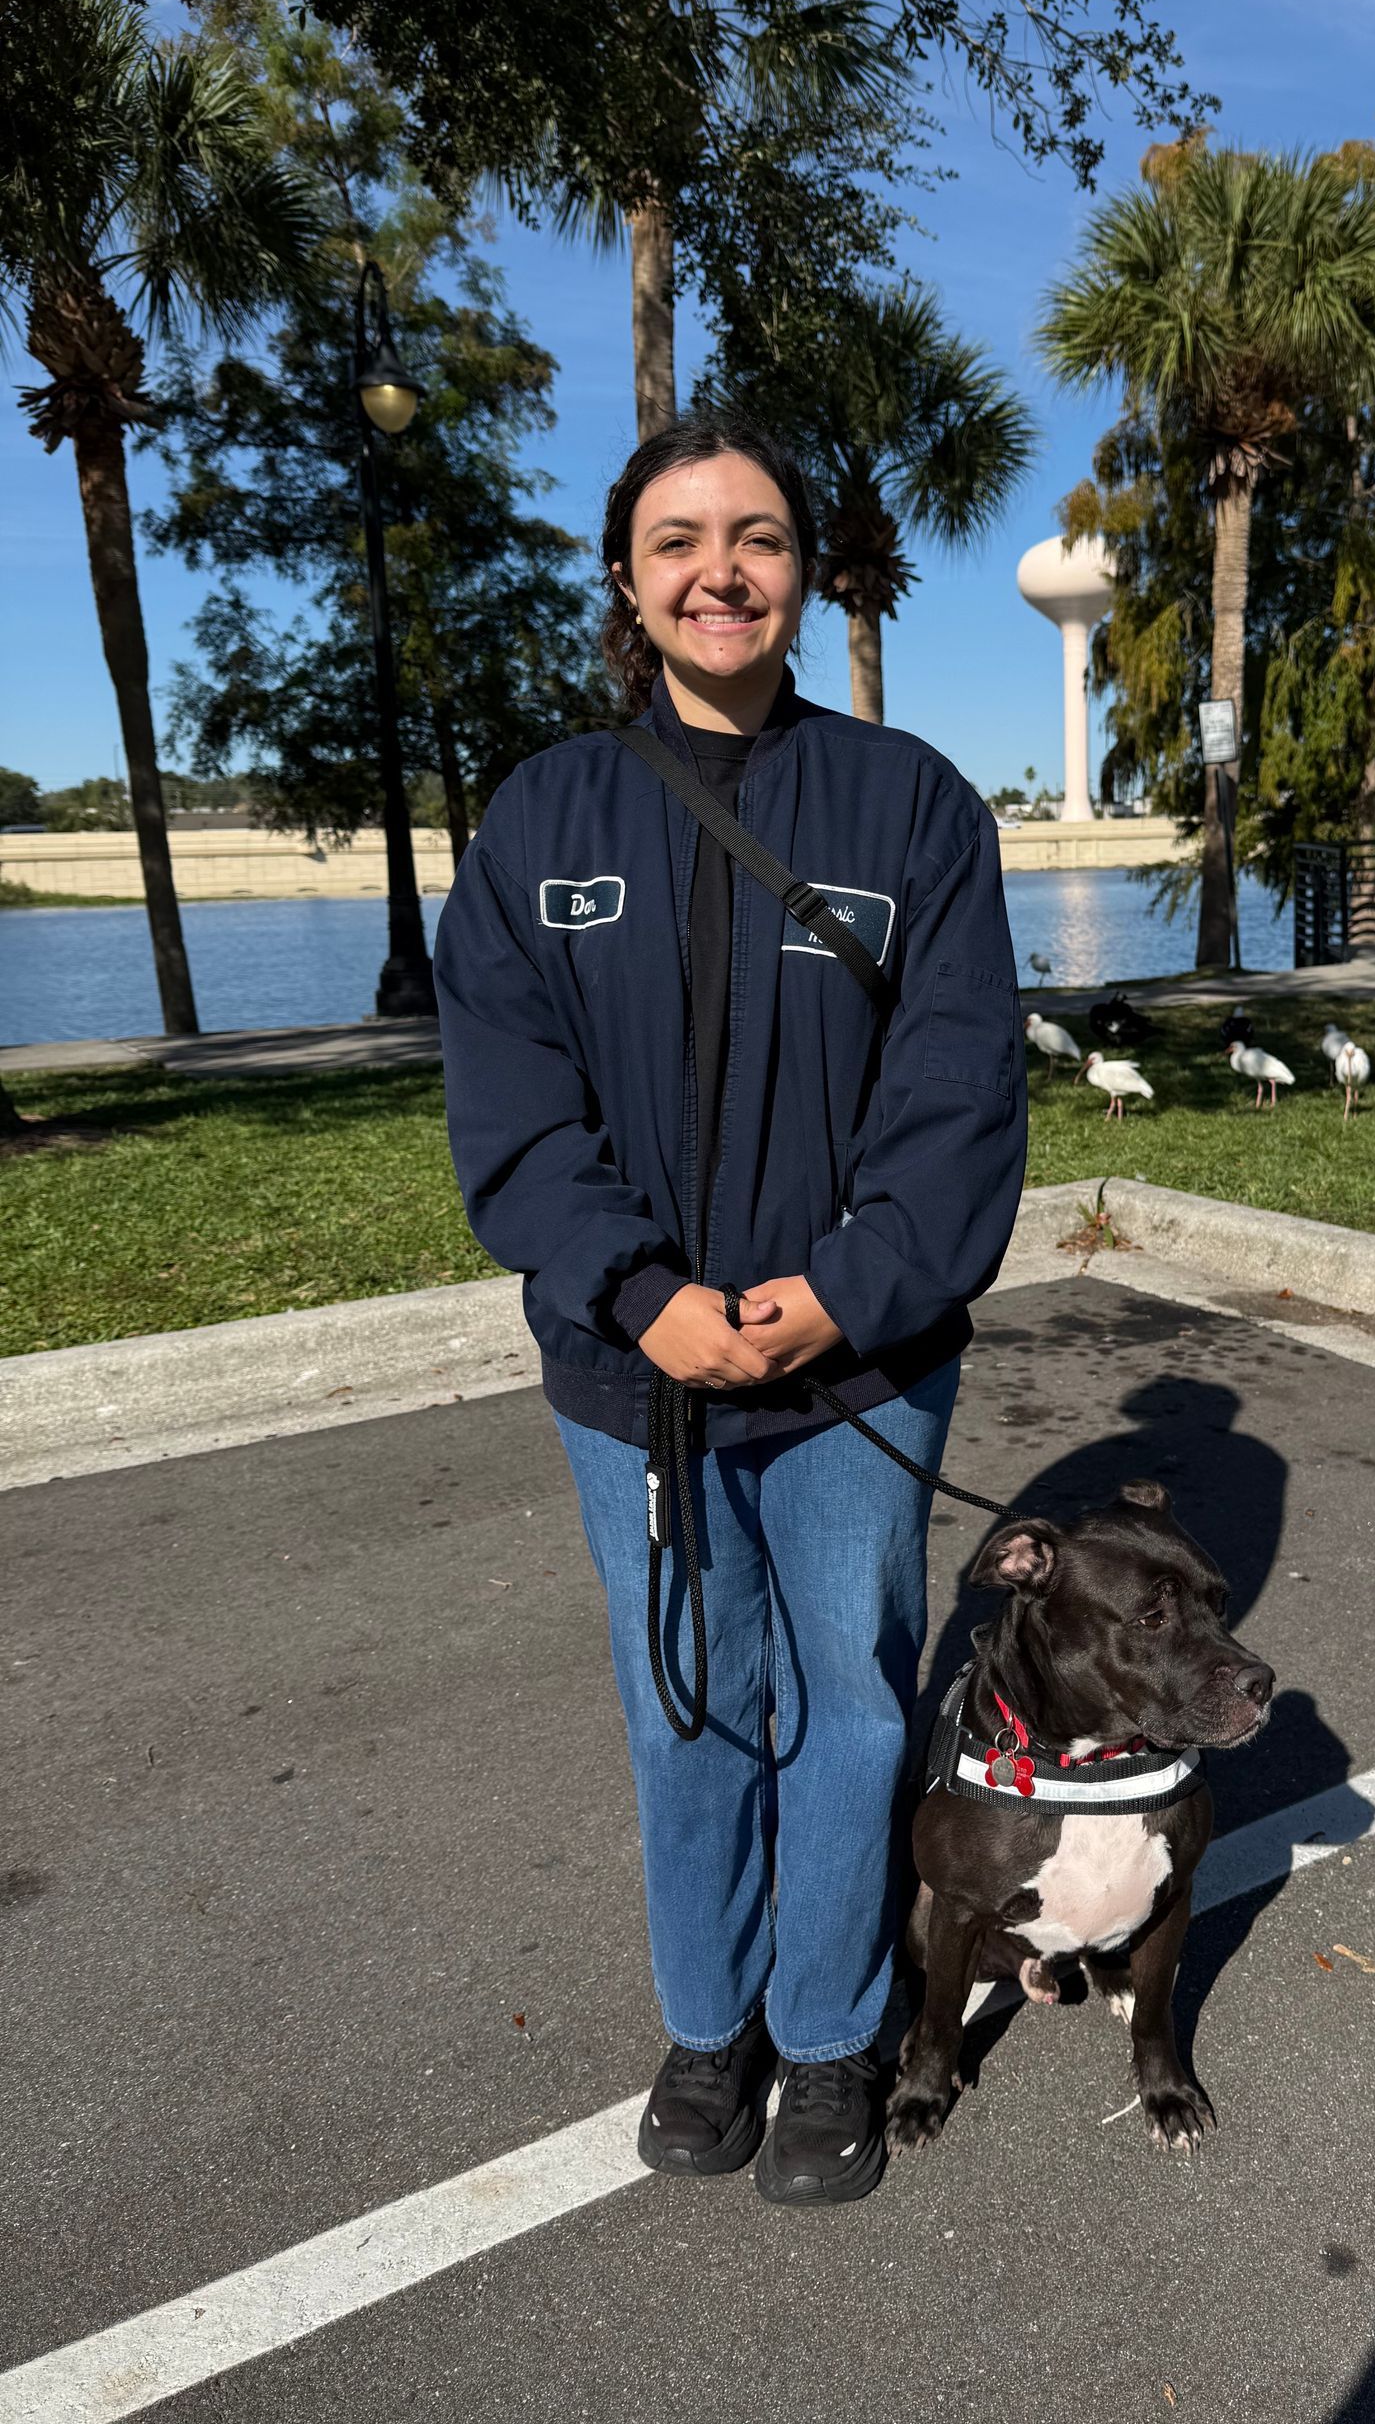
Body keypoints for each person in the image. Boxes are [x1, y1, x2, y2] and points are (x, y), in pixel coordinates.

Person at [433, 412, 1026, 2206]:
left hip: (856, 1374)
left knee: (843, 1701)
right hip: (636, 1380)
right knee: (687, 1698)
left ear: (801, 568)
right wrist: (639, 1295)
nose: (721, 571)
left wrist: (832, 1298)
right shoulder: (546, 813)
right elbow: (511, 1101)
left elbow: (959, 1099)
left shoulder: (909, 803)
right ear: (629, 577)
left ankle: (831, 2031)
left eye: (756, 535)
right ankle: (713, 2021)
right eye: (680, 539)